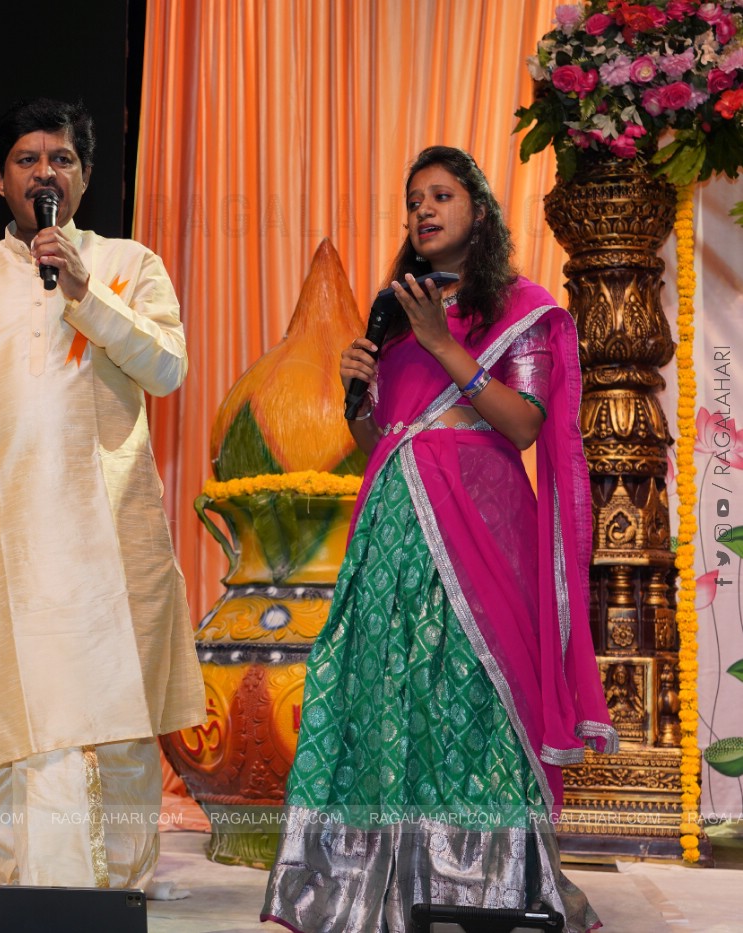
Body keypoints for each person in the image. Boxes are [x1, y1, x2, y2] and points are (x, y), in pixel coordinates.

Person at [261, 146, 617, 933]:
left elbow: (522, 423)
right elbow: (377, 438)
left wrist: (442, 343)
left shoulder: (518, 309)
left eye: (440, 196)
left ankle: (482, 882)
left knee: (467, 685)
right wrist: (361, 386)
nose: (422, 211)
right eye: (413, 200)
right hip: (391, 524)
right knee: (381, 683)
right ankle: (359, 876)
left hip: (478, 525)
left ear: (478, 214)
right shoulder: (394, 316)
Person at [0, 98, 204, 892]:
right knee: (1, 723)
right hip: (2, 539)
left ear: (83, 177)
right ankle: (25, 886)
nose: (44, 172)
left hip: (105, 541)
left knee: (117, 722)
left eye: (61, 159)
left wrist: (87, 290)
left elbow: (165, 369)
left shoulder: (129, 262)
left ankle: (112, 891)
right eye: (27, 159)